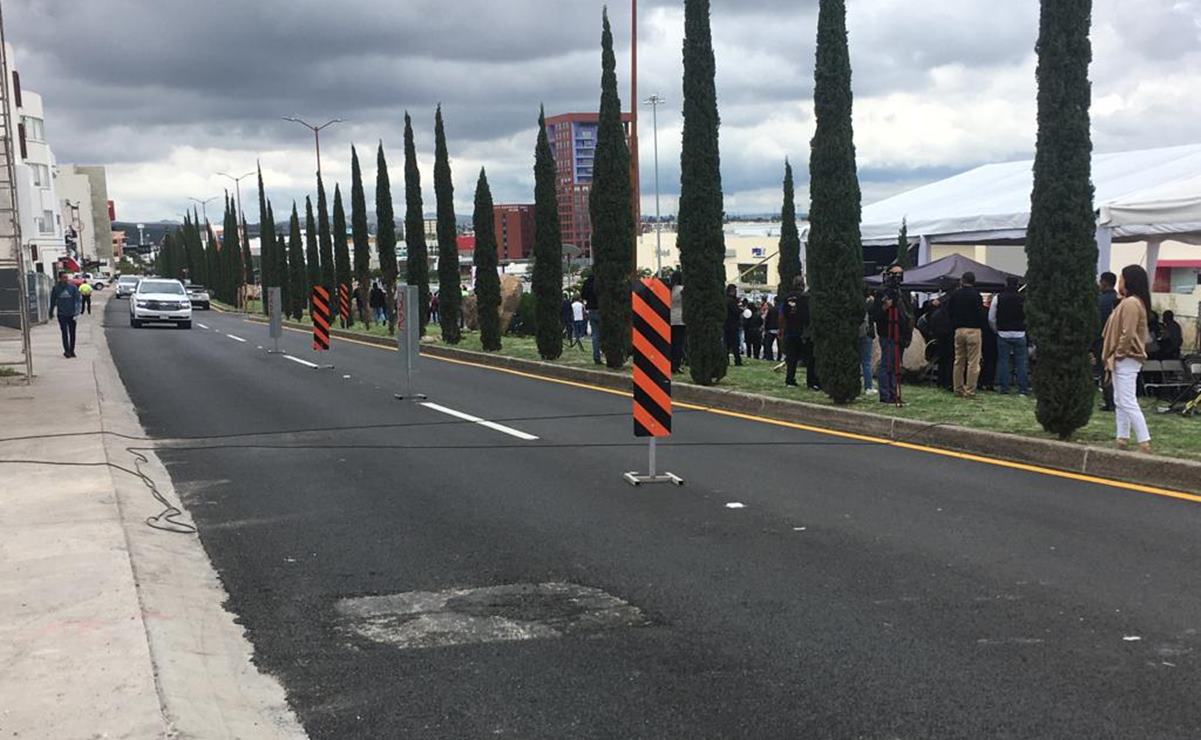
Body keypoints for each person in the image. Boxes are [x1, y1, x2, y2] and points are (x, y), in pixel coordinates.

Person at [1102, 264, 1152, 453]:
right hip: (1125, 357)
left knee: (1127, 400)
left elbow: (1127, 333)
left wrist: (1118, 353)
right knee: (1120, 399)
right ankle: (1122, 437)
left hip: (1127, 357)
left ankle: (1144, 439)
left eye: (1122, 279)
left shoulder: (1131, 303)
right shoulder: (1133, 302)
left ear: (1129, 281)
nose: (1119, 283)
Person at [871, 265, 911, 403]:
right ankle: (885, 395)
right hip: (887, 333)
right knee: (887, 364)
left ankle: (894, 394)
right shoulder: (882, 292)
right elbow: (875, 315)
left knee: (895, 365)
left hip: (899, 333)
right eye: (894, 275)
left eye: (900, 275)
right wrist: (885, 307)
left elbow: (906, 314)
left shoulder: (900, 292)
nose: (897, 278)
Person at [948, 271, 986, 398]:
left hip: (959, 330)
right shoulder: (977, 296)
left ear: (962, 280)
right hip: (974, 330)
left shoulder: (955, 294)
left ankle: (957, 389)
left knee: (958, 360)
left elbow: (950, 311)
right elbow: (981, 313)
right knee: (973, 362)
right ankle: (970, 391)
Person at [988, 275, 1028, 395]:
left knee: (1003, 361)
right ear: (1017, 285)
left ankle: (1004, 388)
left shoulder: (998, 298)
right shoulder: (1024, 298)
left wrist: (996, 330)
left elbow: (991, 317)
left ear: (1006, 284)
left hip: (1003, 333)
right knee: (1021, 362)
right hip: (1020, 333)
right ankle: (1023, 389)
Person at [778, 276, 809, 387]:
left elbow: (782, 315)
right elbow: (807, 315)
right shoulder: (804, 298)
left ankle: (790, 379)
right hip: (802, 331)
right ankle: (811, 381)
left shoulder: (787, 298)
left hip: (789, 330)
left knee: (791, 357)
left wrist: (781, 329)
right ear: (802, 285)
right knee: (808, 357)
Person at [1096, 271, 1119, 411]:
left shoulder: (1100, 300)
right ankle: (1115, 400)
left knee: (1104, 370)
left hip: (1102, 339)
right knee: (1116, 371)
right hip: (1116, 340)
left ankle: (1109, 401)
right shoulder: (1118, 300)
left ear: (1104, 282)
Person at [48, 271, 81, 358]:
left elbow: (78, 300)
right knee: (64, 333)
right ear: (60, 278)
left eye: (67, 277)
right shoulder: (56, 288)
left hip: (72, 314)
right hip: (62, 314)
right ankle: (66, 351)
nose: (66, 279)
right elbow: (52, 301)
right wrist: (51, 312)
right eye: (64, 277)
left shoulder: (73, 288)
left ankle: (72, 350)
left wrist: (77, 312)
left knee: (72, 333)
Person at [581, 272, 601, 364]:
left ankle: (596, 356)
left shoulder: (587, 282)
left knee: (595, 335)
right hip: (601, 309)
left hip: (591, 310)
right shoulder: (602, 280)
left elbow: (583, 295)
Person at [670, 271, 686, 373]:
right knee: (678, 344)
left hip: (669, 318)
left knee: (671, 343)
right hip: (680, 319)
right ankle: (676, 365)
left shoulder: (668, 289)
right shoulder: (682, 290)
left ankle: (670, 363)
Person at [860, 291, 876, 394]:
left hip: (857, 333)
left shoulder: (855, 303)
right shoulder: (870, 303)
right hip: (867, 333)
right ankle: (868, 386)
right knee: (866, 361)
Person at [724, 284, 743, 367]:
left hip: (726, 325)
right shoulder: (731, 301)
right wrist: (740, 309)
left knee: (726, 345)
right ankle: (737, 361)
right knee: (735, 345)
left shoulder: (725, 300)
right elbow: (736, 312)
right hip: (732, 325)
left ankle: (725, 360)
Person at [761, 297, 778, 362]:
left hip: (770, 329)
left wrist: (766, 328)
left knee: (768, 344)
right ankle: (779, 357)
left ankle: (769, 357)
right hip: (778, 328)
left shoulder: (771, 310)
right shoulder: (780, 309)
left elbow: (767, 319)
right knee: (779, 345)